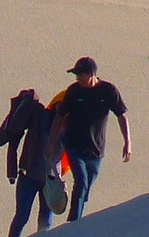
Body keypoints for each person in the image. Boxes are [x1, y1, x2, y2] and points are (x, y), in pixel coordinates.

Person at [48, 57, 131, 222]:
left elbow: (121, 116)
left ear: (91, 74)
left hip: (96, 150)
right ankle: (73, 223)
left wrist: (127, 143)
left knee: (85, 189)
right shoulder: (74, 91)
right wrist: (51, 142)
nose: (77, 78)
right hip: (74, 146)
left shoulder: (108, 91)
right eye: (76, 75)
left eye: (80, 75)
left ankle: (77, 219)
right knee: (81, 182)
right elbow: (59, 116)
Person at [0, 87, 66, 237]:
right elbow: (15, 136)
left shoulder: (70, 126)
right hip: (28, 176)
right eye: (59, 105)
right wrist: (12, 169)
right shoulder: (40, 116)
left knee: (45, 222)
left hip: (50, 180)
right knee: (22, 216)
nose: (61, 109)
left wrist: (61, 179)